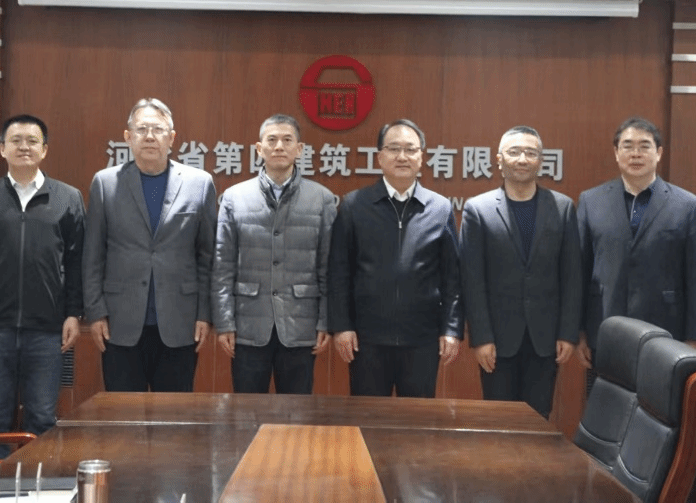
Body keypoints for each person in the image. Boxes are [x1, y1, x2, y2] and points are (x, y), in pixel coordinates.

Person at [0, 114, 85, 458]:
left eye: (32, 141)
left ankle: (37, 484)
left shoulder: (67, 198)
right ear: (2, 149)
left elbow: (77, 262)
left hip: (47, 330)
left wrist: (74, 313)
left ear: (44, 150)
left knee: (42, 418)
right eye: (16, 140)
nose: (24, 147)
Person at [83, 98, 217, 392]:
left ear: (172, 138)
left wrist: (204, 313)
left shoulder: (199, 183)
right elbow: (93, 254)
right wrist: (95, 311)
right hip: (119, 321)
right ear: (128, 136)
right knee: (123, 413)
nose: (149, 136)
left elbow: (208, 256)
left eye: (158, 129)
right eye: (141, 129)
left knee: (173, 414)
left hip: (180, 321)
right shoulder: (105, 183)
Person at [327, 118, 462, 398]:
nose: (402, 156)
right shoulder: (355, 205)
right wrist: (342, 326)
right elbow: (339, 272)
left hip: (422, 340)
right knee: (367, 417)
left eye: (410, 149)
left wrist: (451, 328)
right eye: (394, 148)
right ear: (380, 157)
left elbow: (452, 276)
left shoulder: (439, 208)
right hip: (367, 339)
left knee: (417, 419)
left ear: (422, 157)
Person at [459, 125, 582, 418]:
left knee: (539, 419)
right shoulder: (478, 209)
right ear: (499, 159)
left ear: (541, 160)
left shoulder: (562, 207)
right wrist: (481, 337)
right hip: (497, 340)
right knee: (498, 419)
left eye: (530, 152)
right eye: (514, 152)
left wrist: (568, 333)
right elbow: (472, 280)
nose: (522, 159)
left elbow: (572, 276)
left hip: (545, 339)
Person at [212, 114, 336, 394]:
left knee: (296, 412)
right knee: (247, 411)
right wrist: (224, 322)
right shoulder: (234, 197)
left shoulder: (322, 199)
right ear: (259, 148)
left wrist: (325, 321)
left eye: (287, 140)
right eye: (272, 140)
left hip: (301, 324)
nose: (279, 146)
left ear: (299, 149)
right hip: (247, 324)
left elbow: (328, 267)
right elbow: (223, 266)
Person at [576, 117, 696, 369]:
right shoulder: (591, 201)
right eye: (627, 146)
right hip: (604, 326)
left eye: (644, 146)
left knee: (659, 394)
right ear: (616, 153)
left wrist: (693, 338)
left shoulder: (686, 205)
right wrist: (579, 331)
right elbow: (580, 271)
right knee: (605, 393)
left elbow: (695, 277)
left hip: (666, 330)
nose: (636, 153)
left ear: (658, 153)